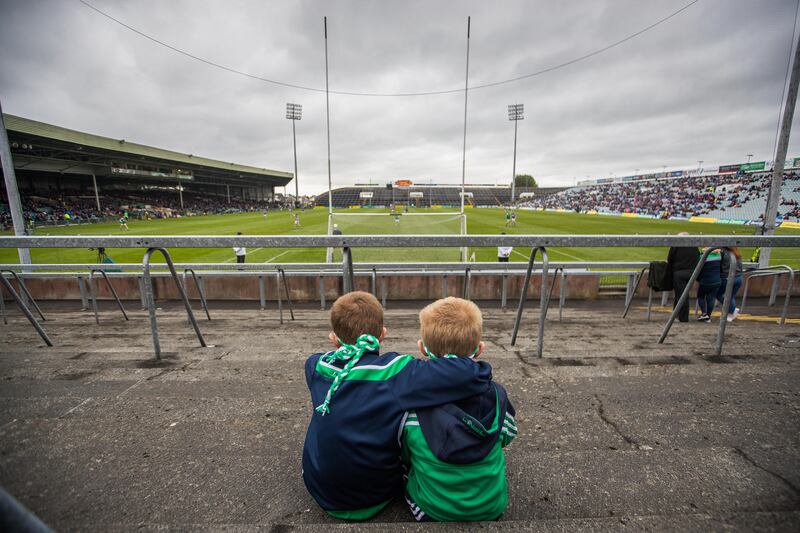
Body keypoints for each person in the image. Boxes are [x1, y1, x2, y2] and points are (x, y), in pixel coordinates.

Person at [302, 291, 492, 520]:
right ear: (382, 334)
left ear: (333, 338)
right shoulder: (396, 372)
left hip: (319, 488)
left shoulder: (314, 366)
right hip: (373, 495)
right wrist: (482, 370)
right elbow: (464, 374)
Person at [401, 297, 516, 522]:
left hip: (432, 511)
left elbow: (405, 452)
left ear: (422, 348)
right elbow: (507, 435)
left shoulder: (412, 404)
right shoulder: (497, 395)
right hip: (492, 507)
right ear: (479, 349)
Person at [666, 233, 699, 323]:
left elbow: (670, 259)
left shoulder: (676, 245)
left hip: (679, 274)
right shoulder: (694, 246)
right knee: (681, 294)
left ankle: (683, 318)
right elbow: (697, 258)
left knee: (681, 295)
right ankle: (676, 315)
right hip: (691, 273)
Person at [716, 246, 743, 322]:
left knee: (719, 295)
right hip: (739, 278)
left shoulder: (724, 252)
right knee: (731, 296)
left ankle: (731, 312)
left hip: (728, 278)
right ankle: (732, 309)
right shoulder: (736, 252)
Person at [697, 248, 722, 322]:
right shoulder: (719, 255)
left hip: (705, 281)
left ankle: (704, 314)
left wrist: (699, 279)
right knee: (711, 298)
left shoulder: (702, 257)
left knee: (700, 296)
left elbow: (699, 270)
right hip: (717, 280)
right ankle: (708, 316)